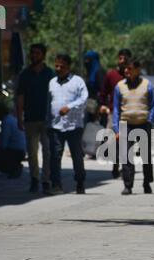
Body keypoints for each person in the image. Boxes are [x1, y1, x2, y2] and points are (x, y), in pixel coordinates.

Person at [113, 58, 154, 195]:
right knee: (126, 156)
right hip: (126, 125)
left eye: (130, 69)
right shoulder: (119, 86)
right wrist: (116, 129)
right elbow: (116, 109)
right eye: (125, 68)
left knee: (146, 156)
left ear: (138, 70)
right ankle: (128, 185)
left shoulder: (147, 85)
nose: (126, 71)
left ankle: (147, 182)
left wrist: (150, 121)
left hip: (143, 125)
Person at [47, 54, 89, 195]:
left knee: (76, 155)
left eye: (62, 66)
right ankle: (56, 185)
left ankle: (80, 182)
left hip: (74, 126)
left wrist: (69, 106)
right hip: (56, 125)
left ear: (69, 67)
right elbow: (48, 102)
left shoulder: (78, 82)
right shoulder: (52, 82)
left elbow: (84, 99)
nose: (58, 69)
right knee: (55, 156)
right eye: (56, 65)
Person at [17, 43, 55, 194]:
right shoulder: (25, 74)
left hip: (46, 119)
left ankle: (46, 180)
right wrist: (19, 117)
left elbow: (55, 96)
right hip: (30, 118)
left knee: (47, 151)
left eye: (37, 53)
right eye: (32, 53)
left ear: (43, 56)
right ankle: (34, 179)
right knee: (32, 152)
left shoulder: (49, 74)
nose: (34, 56)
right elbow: (20, 97)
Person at [100, 48, 132, 178]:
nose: (122, 61)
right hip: (113, 113)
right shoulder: (111, 75)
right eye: (120, 58)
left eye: (125, 58)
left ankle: (125, 168)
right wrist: (103, 105)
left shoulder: (132, 76)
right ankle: (115, 166)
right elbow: (104, 92)